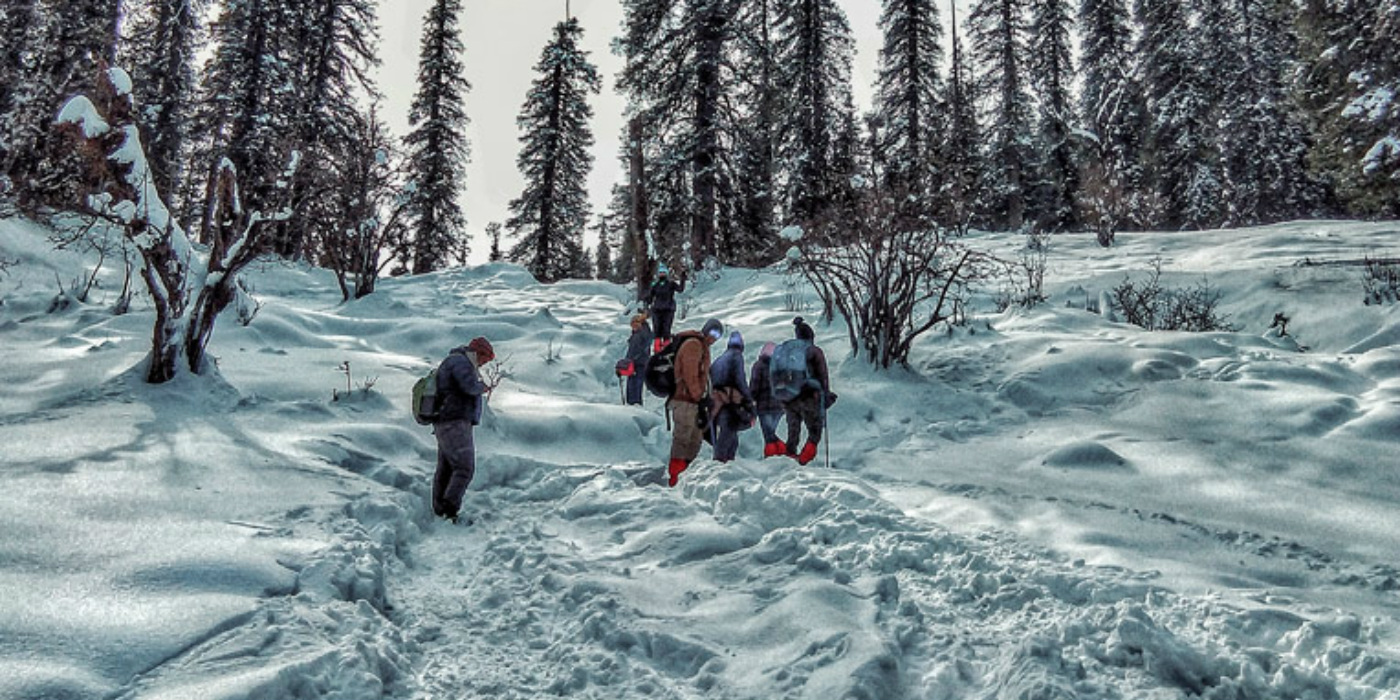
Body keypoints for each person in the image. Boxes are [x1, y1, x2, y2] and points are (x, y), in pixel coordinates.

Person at [431, 336, 494, 523]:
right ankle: (449, 509)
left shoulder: (455, 361)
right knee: (464, 467)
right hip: (454, 421)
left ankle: (440, 508)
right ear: (479, 352)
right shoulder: (461, 362)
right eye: (485, 359)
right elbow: (468, 386)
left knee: (447, 467)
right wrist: (481, 386)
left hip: (446, 420)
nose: (483, 364)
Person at [667, 318, 723, 486]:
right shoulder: (694, 345)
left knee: (694, 440)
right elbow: (690, 374)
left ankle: (685, 477)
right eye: (713, 333)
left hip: (693, 402)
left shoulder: (702, 347)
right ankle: (675, 478)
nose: (714, 338)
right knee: (683, 439)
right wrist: (700, 395)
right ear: (706, 330)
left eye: (718, 335)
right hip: (685, 400)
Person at [780, 317, 831, 466]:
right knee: (815, 432)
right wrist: (825, 394)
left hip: (790, 398)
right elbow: (823, 376)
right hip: (810, 398)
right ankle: (803, 460)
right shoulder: (815, 352)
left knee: (793, 431)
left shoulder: (788, 351)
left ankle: (788, 460)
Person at [709, 330, 755, 462]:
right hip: (728, 402)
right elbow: (740, 380)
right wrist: (748, 401)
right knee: (728, 431)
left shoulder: (720, 358)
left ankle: (725, 463)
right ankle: (720, 462)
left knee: (729, 433)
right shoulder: (736, 357)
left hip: (717, 401)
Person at [748, 341, 787, 458]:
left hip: (764, 408)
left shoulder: (758, 366)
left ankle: (772, 457)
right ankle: (782, 455)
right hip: (780, 407)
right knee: (775, 433)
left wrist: (751, 403)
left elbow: (754, 386)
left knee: (769, 435)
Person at [644, 263, 686, 345]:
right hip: (657, 310)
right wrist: (646, 300)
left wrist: (682, 278)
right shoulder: (655, 285)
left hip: (668, 309)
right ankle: (657, 349)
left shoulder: (671, 284)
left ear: (666, 273)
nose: (662, 274)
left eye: (663, 272)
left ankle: (666, 349)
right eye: (660, 272)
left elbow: (680, 289)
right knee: (657, 331)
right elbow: (650, 297)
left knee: (666, 330)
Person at [623, 312, 652, 406]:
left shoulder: (639, 335)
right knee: (636, 386)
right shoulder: (644, 334)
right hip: (639, 363)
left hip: (637, 364)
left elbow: (635, 351)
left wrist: (629, 360)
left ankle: (634, 404)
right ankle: (636, 403)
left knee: (634, 386)